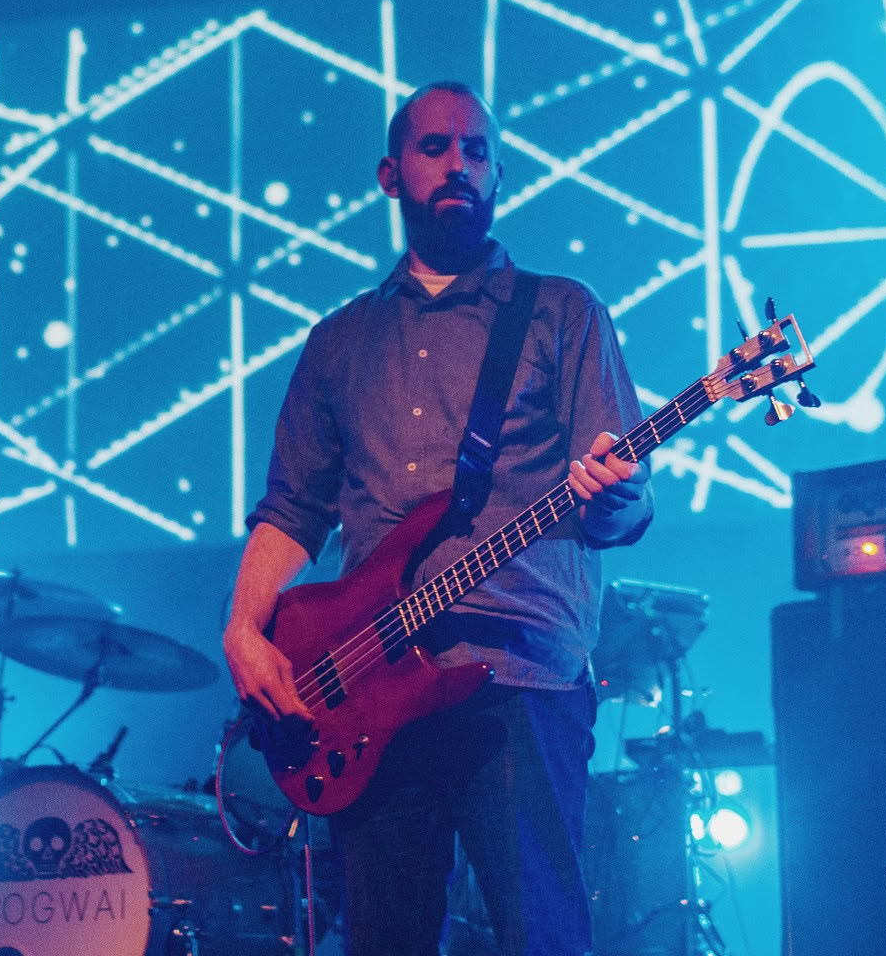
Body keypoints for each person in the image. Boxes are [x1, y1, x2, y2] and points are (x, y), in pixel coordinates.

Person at [224, 81, 653, 956]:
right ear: (391, 174)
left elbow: (620, 508)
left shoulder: (564, 312)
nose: (460, 163)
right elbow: (294, 509)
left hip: (521, 676)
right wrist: (242, 627)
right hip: (368, 690)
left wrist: (617, 493)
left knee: (544, 937)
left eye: (478, 150)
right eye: (435, 147)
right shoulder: (338, 342)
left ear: (499, 175)